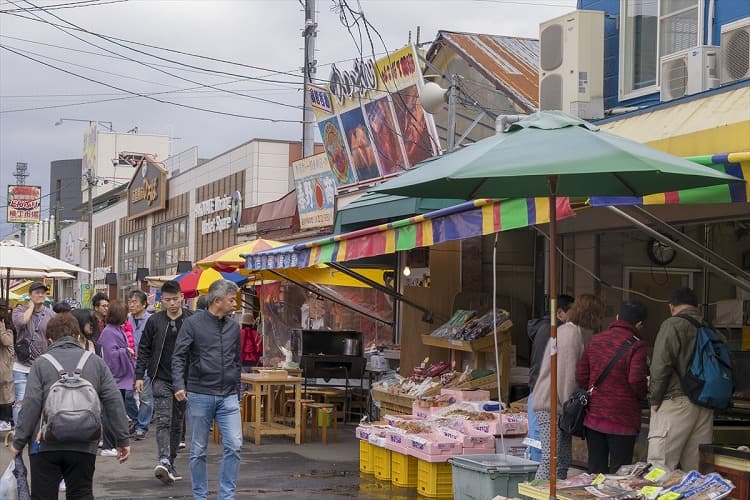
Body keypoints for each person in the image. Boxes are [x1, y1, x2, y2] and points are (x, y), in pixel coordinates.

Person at [9, 313, 130, 499]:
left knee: (43, 495)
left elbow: (31, 405)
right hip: (84, 442)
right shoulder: (95, 362)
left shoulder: (41, 364)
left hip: (45, 445)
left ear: (49, 340)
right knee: (81, 493)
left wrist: (18, 442)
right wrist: (122, 439)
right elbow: (114, 401)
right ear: (78, 336)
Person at [173, 279, 243, 500]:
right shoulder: (192, 324)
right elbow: (179, 356)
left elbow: (237, 361)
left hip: (229, 396)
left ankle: (227, 496)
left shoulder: (234, 327)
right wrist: (179, 385)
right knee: (198, 450)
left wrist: (237, 389)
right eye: (232, 300)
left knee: (234, 446)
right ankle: (200, 496)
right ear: (217, 301)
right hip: (200, 394)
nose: (235, 304)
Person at [647, 287, 721, 472]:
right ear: (696, 306)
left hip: (676, 401)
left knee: (660, 467)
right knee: (696, 471)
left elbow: (660, 365)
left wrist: (654, 399)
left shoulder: (672, 324)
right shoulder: (710, 328)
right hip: (705, 404)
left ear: (671, 306)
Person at [532, 293, 604, 480]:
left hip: (551, 403)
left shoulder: (566, 331)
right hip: (552, 405)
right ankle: (535, 494)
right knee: (552, 460)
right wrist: (570, 407)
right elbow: (566, 376)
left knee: (561, 460)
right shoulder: (571, 334)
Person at [576, 300, 648, 473]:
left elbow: (581, 374)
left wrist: (597, 393)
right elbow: (636, 380)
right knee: (620, 473)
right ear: (639, 324)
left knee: (595, 470)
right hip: (623, 420)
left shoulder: (596, 339)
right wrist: (642, 395)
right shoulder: (638, 345)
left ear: (617, 317)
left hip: (594, 418)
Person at [135, 280, 192, 485]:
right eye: (168, 300)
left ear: (182, 298)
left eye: (175, 299)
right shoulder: (155, 321)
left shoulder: (191, 320)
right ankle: (164, 459)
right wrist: (139, 375)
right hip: (160, 377)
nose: (172, 303)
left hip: (185, 381)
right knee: (164, 420)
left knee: (178, 422)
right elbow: (144, 349)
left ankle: (171, 462)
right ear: (162, 301)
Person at [526, 294, 574, 462]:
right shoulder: (555, 331)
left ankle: (538, 485)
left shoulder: (543, 328)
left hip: (538, 393)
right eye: (572, 311)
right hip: (546, 397)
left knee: (545, 453)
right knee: (546, 457)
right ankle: (538, 487)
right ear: (560, 313)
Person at [12, 281, 55, 425]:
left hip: (42, 365)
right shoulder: (18, 311)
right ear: (30, 295)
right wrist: (30, 307)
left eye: (43, 292)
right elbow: (22, 323)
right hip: (21, 365)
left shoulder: (51, 314)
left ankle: (40, 433)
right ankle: (19, 434)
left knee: (43, 401)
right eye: (37, 292)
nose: (41, 294)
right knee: (20, 401)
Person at [99, 300, 136, 457]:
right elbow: (110, 355)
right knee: (110, 412)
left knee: (115, 411)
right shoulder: (109, 332)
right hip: (114, 377)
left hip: (118, 376)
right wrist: (125, 351)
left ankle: (112, 443)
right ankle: (108, 444)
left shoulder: (116, 329)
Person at [128, 290, 153, 440]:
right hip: (128, 364)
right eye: (130, 302)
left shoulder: (151, 320)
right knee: (127, 396)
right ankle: (136, 420)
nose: (131, 305)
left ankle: (142, 426)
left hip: (145, 365)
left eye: (135, 302)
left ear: (144, 304)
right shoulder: (126, 321)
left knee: (145, 398)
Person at [0, 315, 14, 431]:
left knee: (6, 397)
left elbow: (5, 341)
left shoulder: (8, 333)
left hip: (5, 370)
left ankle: (6, 420)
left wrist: (1, 327)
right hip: (3, 370)